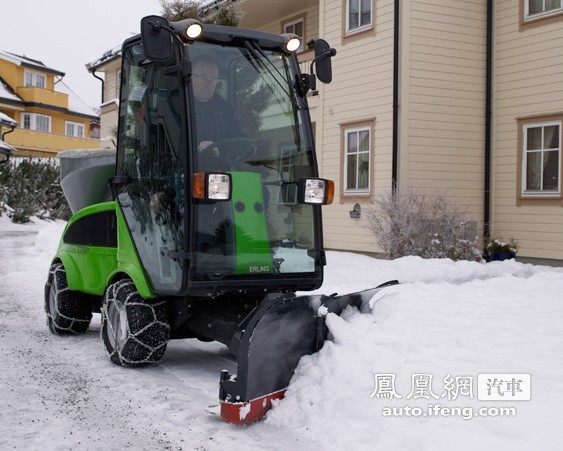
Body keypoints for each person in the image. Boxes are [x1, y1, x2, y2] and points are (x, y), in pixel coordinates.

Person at [190, 54, 249, 170]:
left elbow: (241, 142)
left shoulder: (225, 109)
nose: (209, 83)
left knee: (260, 187)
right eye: (203, 76)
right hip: (187, 172)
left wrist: (220, 151)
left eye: (213, 78)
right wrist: (196, 149)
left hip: (221, 174)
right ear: (190, 76)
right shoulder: (177, 103)